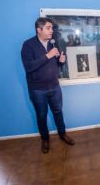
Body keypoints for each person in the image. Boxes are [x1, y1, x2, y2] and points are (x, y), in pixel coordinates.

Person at [21, 17, 75, 153]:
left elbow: (54, 64)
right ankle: (45, 139)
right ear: (39, 30)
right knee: (42, 116)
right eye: (48, 28)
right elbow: (29, 67)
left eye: (52, 28)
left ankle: (63, 134)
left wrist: (61, 61)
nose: (52, 31)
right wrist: (48, 56)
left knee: (58, 112)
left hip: (55, 87)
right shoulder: (28, 45)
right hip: (38, 90)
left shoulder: (53, 44)